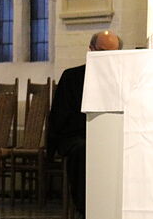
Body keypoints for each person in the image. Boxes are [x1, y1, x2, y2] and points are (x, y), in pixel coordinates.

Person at [46, 30, 122, 219]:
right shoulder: (72, 77)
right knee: (85, 150)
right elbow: (60, 117)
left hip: (111, 135)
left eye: (112, 54)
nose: (106, 58)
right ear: (90, 50)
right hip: (76, 137)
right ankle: (85, 208)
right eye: (102, 52)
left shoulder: (121, 79)